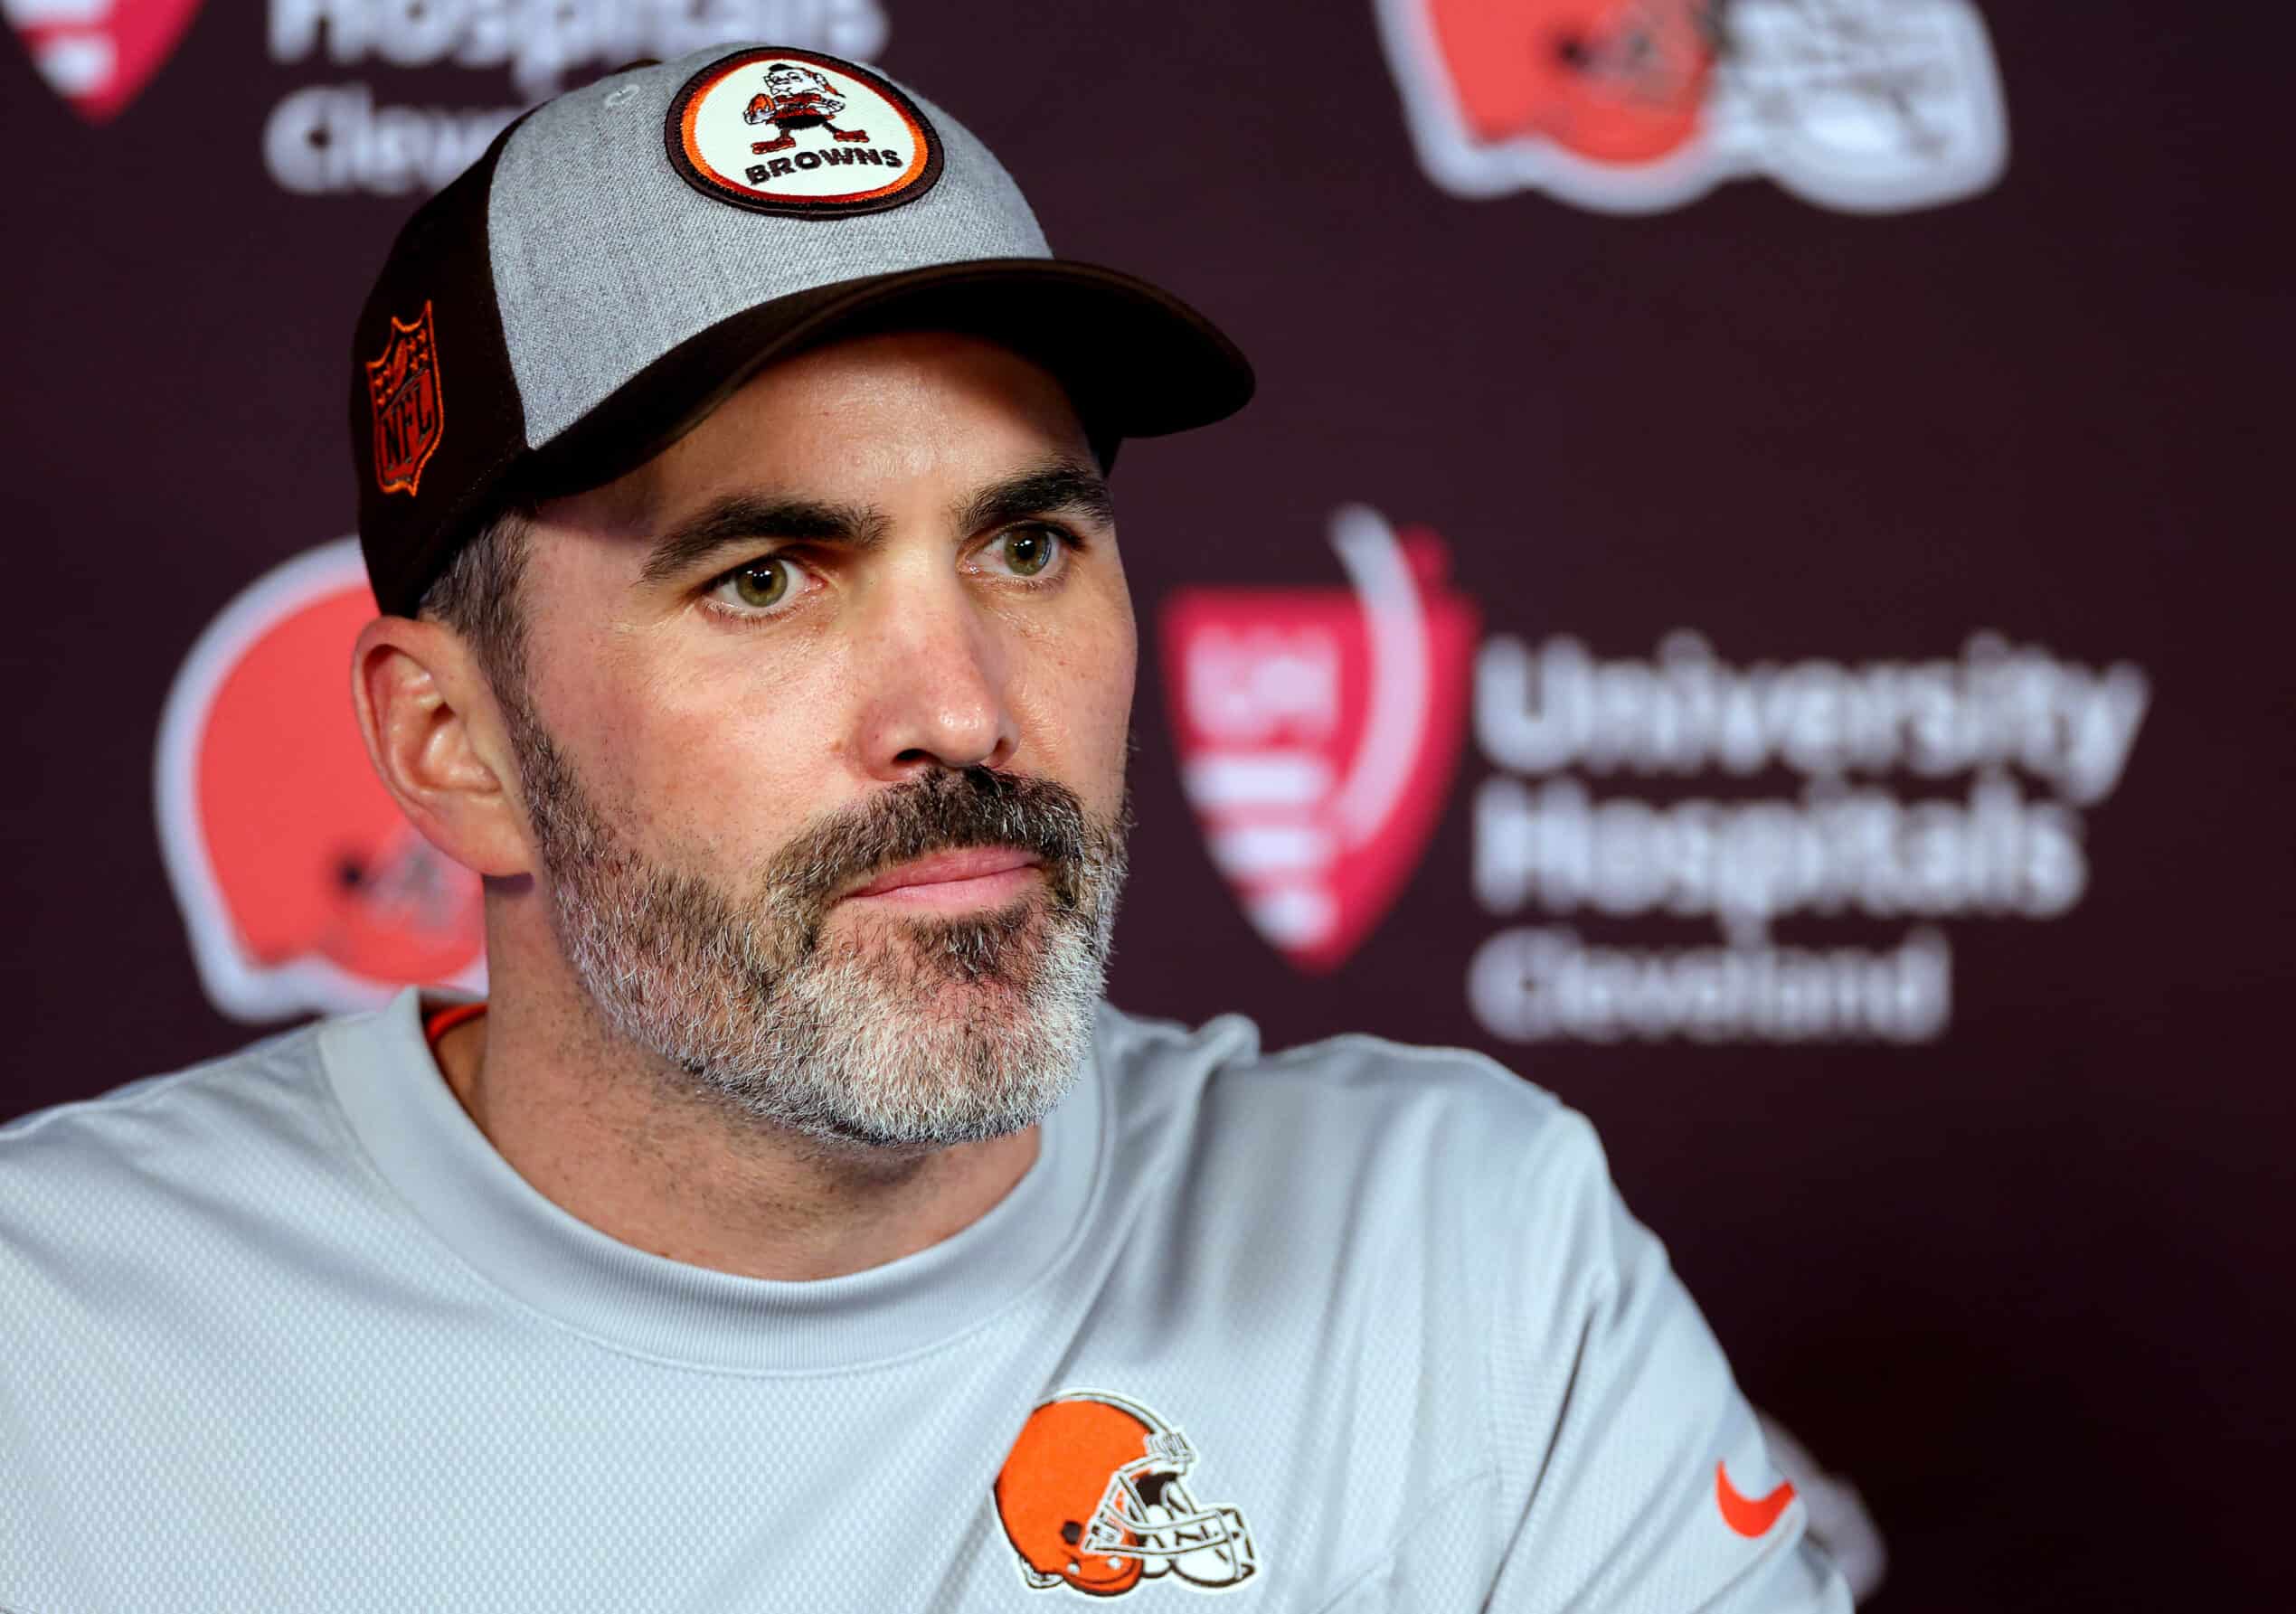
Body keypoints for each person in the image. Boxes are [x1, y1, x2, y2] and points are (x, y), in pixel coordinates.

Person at [0, 43, 1849, 1613]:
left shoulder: (1457, 1256)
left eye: (1025, 544)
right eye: (764, 577)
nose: (962, 706)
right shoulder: (55, 1351)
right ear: (452, 738)